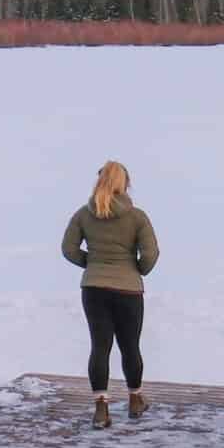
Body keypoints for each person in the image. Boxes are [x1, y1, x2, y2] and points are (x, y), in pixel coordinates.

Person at [60, 159, 160, 429]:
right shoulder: (137, 216)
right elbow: (150, 254)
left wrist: (92, 265)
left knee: (100, 346)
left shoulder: (84, 214)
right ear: (125, 184)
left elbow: (69, 249)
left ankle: (101, 409)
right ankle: (135, 399)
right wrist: (136, 269)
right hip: (128, 289)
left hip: (93, 289)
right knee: (130, 346)